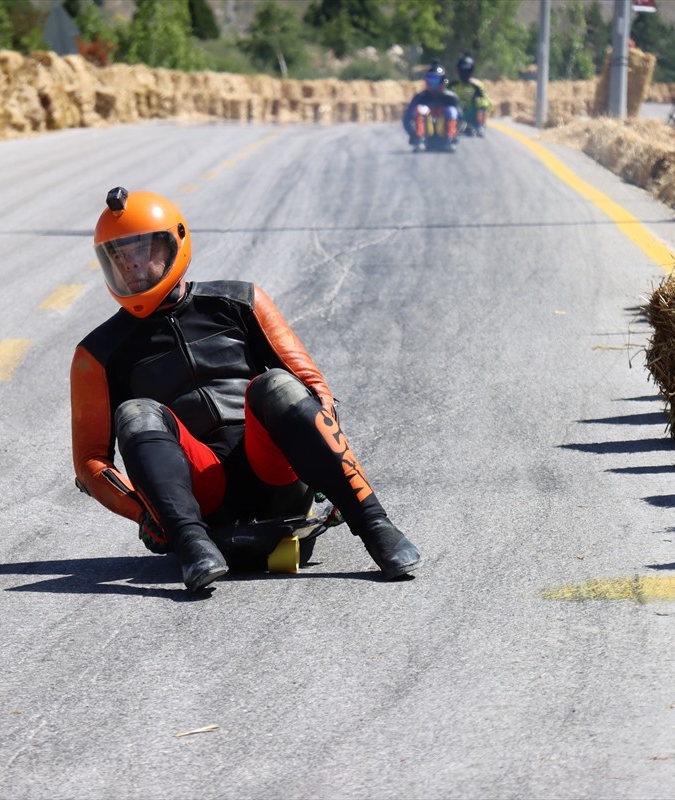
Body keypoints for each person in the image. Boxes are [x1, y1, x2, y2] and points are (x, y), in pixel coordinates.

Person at [70, 187, 422, 593]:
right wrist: (146, 515)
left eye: (142, 248)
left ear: (174, 244)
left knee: (277, 385)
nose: (131, 264)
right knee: (136, 412)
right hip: (199, 491)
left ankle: (375, 524)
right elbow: (91, 464)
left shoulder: (241, 301)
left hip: (273, 472)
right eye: (118, 255)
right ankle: (191, 545)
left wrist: (333, 473)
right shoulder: (95, 353)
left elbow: (314, 390)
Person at [402, 62, 461, 147]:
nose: (434, 84)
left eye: (437, 80)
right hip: (426, 136)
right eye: (431, 80)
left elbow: (461, 117)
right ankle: (420, 139)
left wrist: (457, 133)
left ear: (443, 81)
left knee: (451, 110)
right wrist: (412, 134)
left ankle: (450, 139)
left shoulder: (451, 97)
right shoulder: (420, 97)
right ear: (426, 81)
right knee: (420, 109)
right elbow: (407, 118)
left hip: (444, 135)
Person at [455, 54, 491, 137]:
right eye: (463, 71)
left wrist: (477, 100)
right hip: (457, 112)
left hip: (471, 113)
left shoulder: (477, 85)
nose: (465, 73)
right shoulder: (453, 85)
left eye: (467, 71)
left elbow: (486, 100)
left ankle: (480, 125)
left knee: (483, 104)